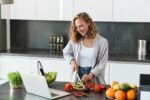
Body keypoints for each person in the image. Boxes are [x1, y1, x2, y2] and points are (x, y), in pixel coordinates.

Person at [63, 12, 108, 84]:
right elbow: (66, 52)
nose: (79, 29)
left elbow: (102, 64)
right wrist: (72, 61)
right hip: (77, 76)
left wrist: (91, 75)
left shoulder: (102, 42)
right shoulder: (75, 40)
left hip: (94, 78)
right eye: (76, 27)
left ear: (88, 23)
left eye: (81, 26)